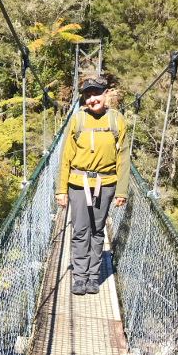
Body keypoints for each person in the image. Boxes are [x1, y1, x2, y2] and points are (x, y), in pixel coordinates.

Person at [55, 75, 129, 295]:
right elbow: (65, 156)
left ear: (106, 94)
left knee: (97, 232)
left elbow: (123, 157)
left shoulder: (116, 120)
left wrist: (121, 190)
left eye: (96, 93)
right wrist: (61, 189)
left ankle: (92, 277)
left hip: (106, 184)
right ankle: (79, 278)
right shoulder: (77, 120)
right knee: (80, 231)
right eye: (88, 95)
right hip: (78, 184)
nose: (92, 99)